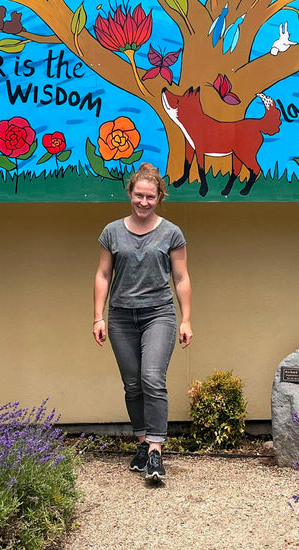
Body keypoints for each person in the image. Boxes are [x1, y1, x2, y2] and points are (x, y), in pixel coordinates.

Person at [93, 162, 192, 483]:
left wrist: (186, 319)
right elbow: (103, 274)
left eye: (150, 197)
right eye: (139, 195)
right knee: (133, 384)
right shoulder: (111, 232)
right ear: (130, 194)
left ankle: (156, 451)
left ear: (159, 196)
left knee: (152, 378)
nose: (144, 202)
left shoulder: (171, 233)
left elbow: (181, 277)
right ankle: (141, 442)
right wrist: (98, 316)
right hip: (121, 316)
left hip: (159, 314)